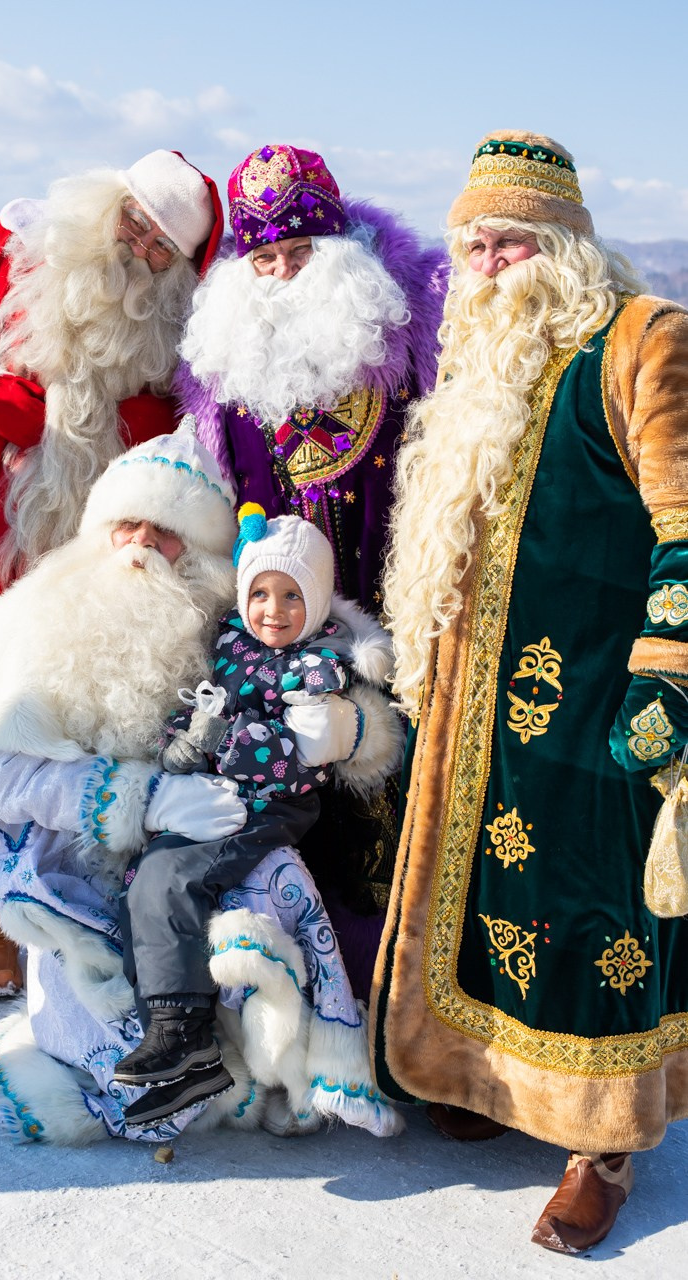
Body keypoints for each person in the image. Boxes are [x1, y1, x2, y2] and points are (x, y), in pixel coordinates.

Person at [373, 129, 688, 1255]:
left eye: (513, 237)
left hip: (599, 709)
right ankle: (488, 1081)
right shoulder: (478, 359)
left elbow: (685, 522)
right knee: (492, 912)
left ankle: (600, 1146)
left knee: (599, 925)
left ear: (566, 240)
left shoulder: (643, 339)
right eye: (475, 242)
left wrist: (668, 673)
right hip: (479, 717)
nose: (492, 259)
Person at [0, 421, 404, 1145]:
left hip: (215, 840)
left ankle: (256, 1050)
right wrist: (134, 798)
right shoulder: (37, 619)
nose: (143, 544)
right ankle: (177, 1047)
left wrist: (350, 730)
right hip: (79, 871)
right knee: (117, 1061)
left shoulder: (231, 616)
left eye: (169, 531)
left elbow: (333, 658)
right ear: (100, 530)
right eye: (128, 525)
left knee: (273, 882)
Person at [0, 150, 223, 997]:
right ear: (108, 202)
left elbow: (199, 424)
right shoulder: (8, 244)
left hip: (100, 554)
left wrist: (145, 432)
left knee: (79, 731)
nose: (137, 249)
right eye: (134, 221)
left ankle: (64, 913)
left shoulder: (181, 327)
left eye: (159, 249)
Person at [176, 143, 448, 990]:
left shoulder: (405, 336)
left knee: (395, 808)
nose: (283, 275)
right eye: (264, 260)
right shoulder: (224, 369)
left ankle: (395, 1000)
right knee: (285, 805)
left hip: (392, 609)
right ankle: (288, 990)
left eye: (299, 256)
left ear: (338, 251)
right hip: (272, 626)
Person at [114, 506, 404, 1128]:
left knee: (173, 877)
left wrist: (224, 737)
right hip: (217, 790)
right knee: (141, 884)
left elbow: (295, 757)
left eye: (292, 596)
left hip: (271, 806)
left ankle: (184, 1035)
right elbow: (198, 707)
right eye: (262, 593)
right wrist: (184, 740)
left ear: (319, 602)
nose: (274, 610)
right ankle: (170, 1039)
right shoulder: (228, 644)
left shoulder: (315, 664)